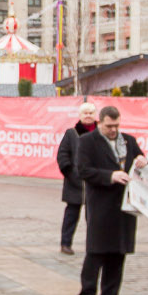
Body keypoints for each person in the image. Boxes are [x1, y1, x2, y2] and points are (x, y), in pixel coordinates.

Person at [74, 106, 147, 295]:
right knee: (96, 252)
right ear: (100, 123)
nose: (113, 130)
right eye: (109, 126)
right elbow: (83, 170)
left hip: (125, 207)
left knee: (118, 252)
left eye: (116, 126)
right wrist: (110, 176)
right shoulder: (88, 141)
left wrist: (143, 160)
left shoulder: (128, 141)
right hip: (101, 206)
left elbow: (139, 160)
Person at [55, 102, 98, 256]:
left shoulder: (101, 132)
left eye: (91, 113)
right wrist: (70, 173)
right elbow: (62, 155)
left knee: (94, 218)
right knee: (71, 216)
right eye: (85, 113)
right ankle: (65, 243)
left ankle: (93, 245)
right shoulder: (71, 133)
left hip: (95, 183)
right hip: (74, 183)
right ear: (80, 115)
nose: (88, 115)